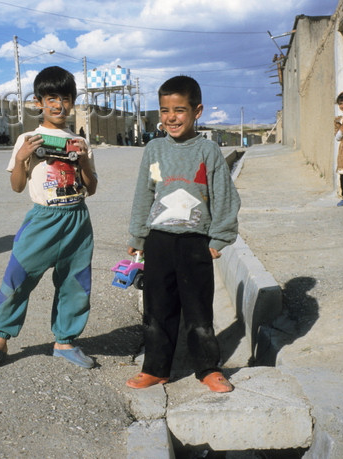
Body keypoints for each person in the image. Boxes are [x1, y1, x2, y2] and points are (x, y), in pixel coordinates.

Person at [0, 66, 98, 370]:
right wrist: (20, 159)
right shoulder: (28, 139)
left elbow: (91, 188)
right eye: (51, 98)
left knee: (74, 283)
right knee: (17, 278)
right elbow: (17, 186)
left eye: (66, 98)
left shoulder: (80, 142)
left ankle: (65, 342)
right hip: (42, 220)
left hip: (77, 221)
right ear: (38, 102)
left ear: (72, 102)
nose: (58, 105)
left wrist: (82, 161)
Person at [125, 76, 241, 393]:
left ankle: (207, 368)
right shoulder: (154, 150)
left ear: (197, 111)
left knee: (198, 310)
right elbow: (144, 194)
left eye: (179, 110)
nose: (171, 117)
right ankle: (156, 368)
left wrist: (219, 239)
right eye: (164, 110)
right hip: (158, 240)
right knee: (157, 309)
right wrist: (138, 236)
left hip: (195, 243)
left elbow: (225, 197)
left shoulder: (208, 152)